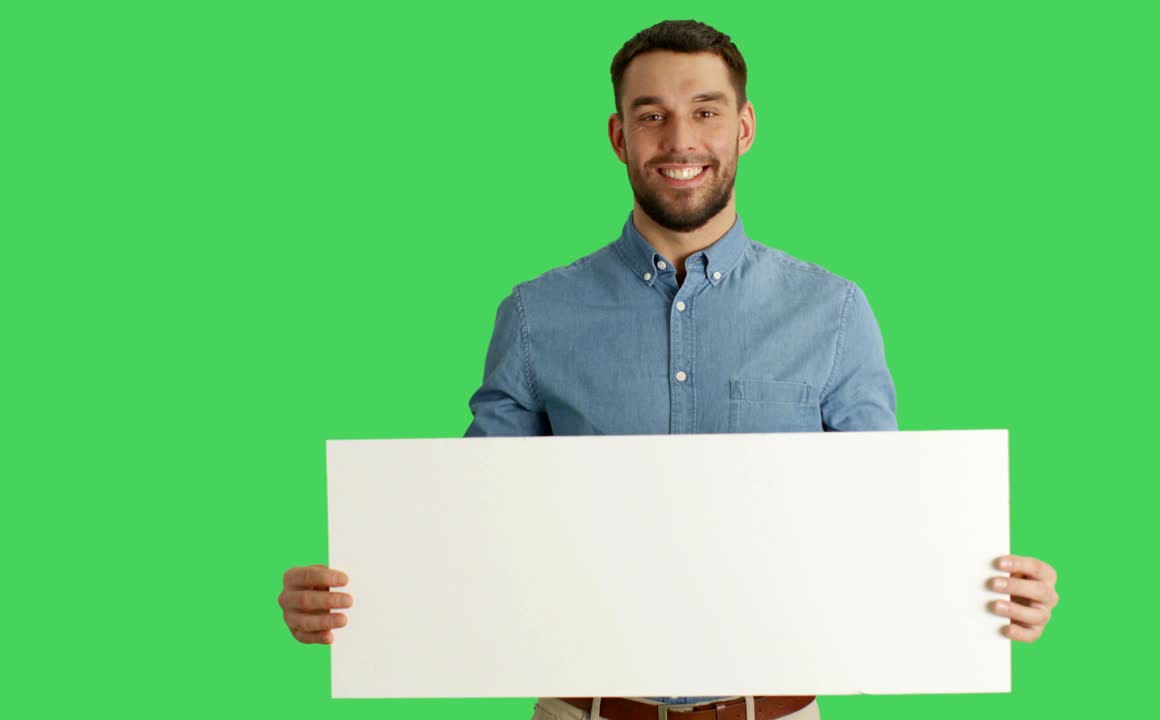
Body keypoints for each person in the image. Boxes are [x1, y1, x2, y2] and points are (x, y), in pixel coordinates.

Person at [278, 19, 1061, 720]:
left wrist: (990, 598)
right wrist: (357, 598)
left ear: (745, 127)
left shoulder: (834, 312)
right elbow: (472, 525)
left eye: (705, 111)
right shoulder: (535, 316)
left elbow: (883, 526)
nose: (678, 138)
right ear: (619, 136)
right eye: (651, 115)